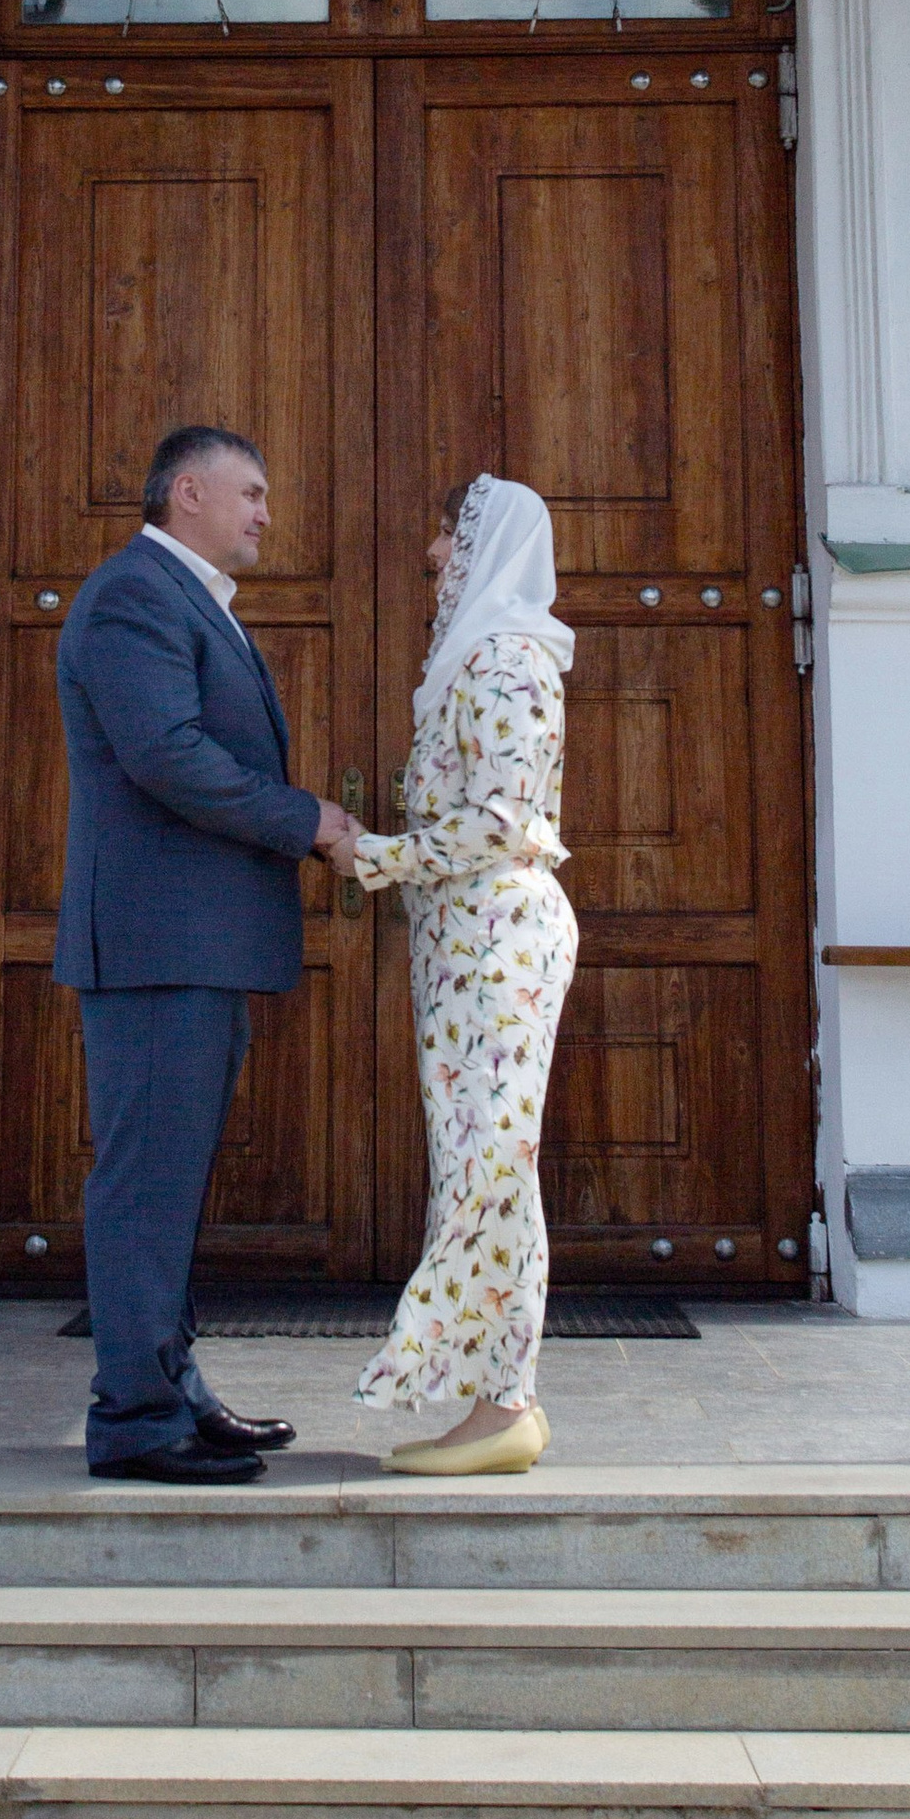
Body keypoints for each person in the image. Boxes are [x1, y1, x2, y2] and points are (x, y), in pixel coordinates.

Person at [55, 420, 360, 1485]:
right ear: (187, 493)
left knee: (170, 1184)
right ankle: (134, 1420)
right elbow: (165, 755)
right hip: (155, 946)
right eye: (252, 492)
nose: (266, 515)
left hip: (192, 946)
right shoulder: (137, 593)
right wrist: (306, 819)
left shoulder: (182, 600)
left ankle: (173, 1388)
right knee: (144, 1185)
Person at [350, 472, 578, 1478]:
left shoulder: (505, 661)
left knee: (491, 1164)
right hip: (461, 945)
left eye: (447, 534)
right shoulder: (469, 663)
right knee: (480, 1164)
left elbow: (503, 821)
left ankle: (504, 1403)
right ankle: (498, 1402)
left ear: (486, 544)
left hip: (498, 941)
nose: (434, 555)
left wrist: (375, 855)